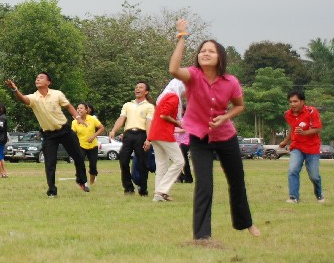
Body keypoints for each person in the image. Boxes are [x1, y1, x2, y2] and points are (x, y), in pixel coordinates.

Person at [169, 19, 260, 240]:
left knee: (236, 181)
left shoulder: (231, 82)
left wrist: (225, 117)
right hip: (200, 139)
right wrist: (182, 37)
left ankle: (246, 223)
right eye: (202, 51)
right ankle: (202, 236)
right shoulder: (192, 75)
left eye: (211, 51)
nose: (205, 53)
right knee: (204, 185)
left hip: (226, 137)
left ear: (220, 57)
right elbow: (173, 69)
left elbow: (239, 106)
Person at [6, 73, 89, 197]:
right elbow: (23, 99)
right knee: (50, 163)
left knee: (78, 156)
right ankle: (52, 191)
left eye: (41, 78)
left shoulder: (57, 94)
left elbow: (68, 106)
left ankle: (81, 180)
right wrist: (15, 89)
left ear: (48, 82)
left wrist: (78, 117)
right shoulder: (34, 98)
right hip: (49, 135)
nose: (38, 79)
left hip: (64, 130)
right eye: (37, 78)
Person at [108, 82, 155, 196]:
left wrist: (148, 139)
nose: (137, 89)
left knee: (142, 163)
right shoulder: (128, 105)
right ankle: (128, 188)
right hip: (128, 135)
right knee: (123, 160)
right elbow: (121, 118)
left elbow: (149, 123)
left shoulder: (149, 106)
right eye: (136, 87)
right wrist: (113, 130)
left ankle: (143, 189)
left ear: (146, 92)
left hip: (141, 134)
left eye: (141, 87)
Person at [144, 80, 186, 202]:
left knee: (162, 165)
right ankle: (161, 190)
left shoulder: (165, 96)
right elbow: (164, 115)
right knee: (179, 161)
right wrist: (177, 123)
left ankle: (158, 196)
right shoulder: (173, 97)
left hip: (155, 134)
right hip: (164, 134)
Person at [279, 90, 324, 203]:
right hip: (297, 146)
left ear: (302, 102)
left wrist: (304, 133)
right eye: (290, 102)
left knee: (314, 176)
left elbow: (318, 128)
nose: (292, 104)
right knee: (293, 170)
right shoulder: (288, 114)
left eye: (295, 101)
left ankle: (319, 195)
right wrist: (285, 141)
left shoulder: (311, 111)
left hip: (312, 147)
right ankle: (293, 197)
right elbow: (293, 128)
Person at [71, 103, 104, 187]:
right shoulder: (74, 122)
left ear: (86, 110)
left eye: (81, 108)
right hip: (81, 146)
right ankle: (82, 181)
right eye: (78, 108)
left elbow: (101, 128)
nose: (79, 110)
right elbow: (72, 134)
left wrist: (93, 136)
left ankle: (92, 181)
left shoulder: (92, 119)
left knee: (93, 166)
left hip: (93, 146)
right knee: (79, 163)